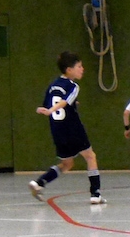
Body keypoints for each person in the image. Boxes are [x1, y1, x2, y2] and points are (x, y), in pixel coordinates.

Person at [29, 51, 106, 204]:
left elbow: (49, 104)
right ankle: (95, 194)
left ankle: (40, 182)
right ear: (69, 70)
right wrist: (52, 110)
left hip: (57, 131)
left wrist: (48, 110)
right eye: (79, 66)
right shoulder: (73, 86)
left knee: (67, 164)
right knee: (90, 156)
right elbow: (63, 102)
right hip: (73, 129)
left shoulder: (52, 86)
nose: (82, 69)